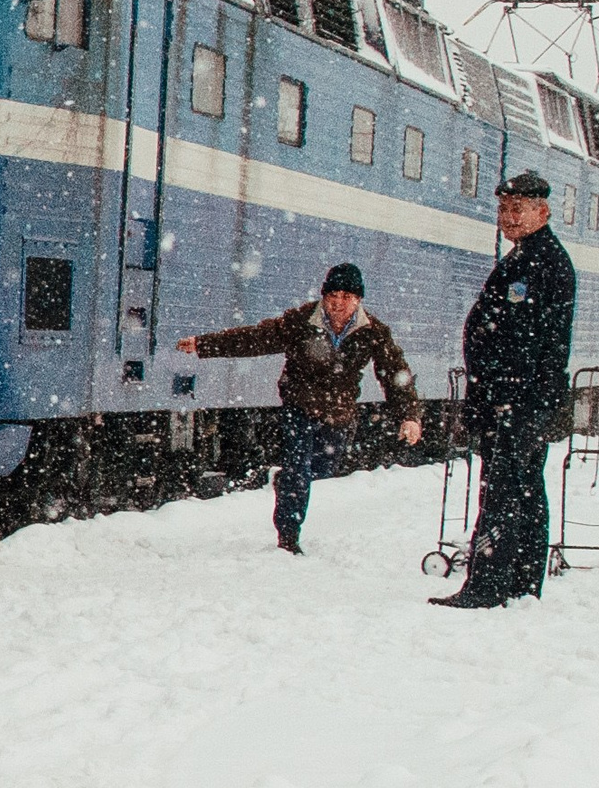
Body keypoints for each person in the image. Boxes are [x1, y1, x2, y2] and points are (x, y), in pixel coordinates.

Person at [176, 262, 423, 553]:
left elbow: (395, 373)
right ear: (324, 296)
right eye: (333, 296)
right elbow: (257, 338)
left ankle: (286, 482)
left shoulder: (373, 331)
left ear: (358, 300)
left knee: (323, 466)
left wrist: (409, 416)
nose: (338, 303)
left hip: (337, 412)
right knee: (298, 468)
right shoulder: (302, 320)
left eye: (346, 297)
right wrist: (204, 344)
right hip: (299, 405)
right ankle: (288, 537)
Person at [431, 170, 575, 608]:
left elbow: (532, 340)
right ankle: (522, 582)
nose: (508, 217)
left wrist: (511, 396)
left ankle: (487, 585)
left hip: (515, 398)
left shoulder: (540, 262)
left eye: (518, 209)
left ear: (542, 212)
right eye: (503, 209)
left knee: (502, 491)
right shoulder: (529, 257)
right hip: (516, 396)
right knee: (524, 488)